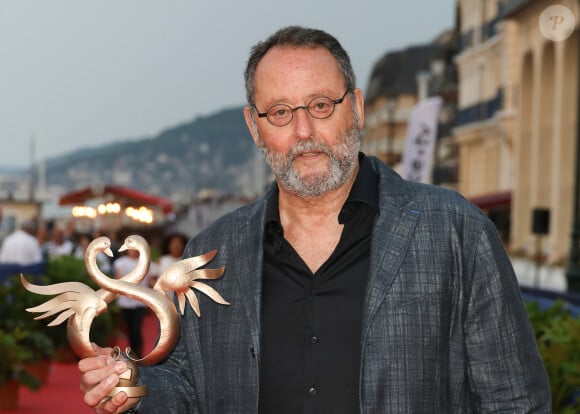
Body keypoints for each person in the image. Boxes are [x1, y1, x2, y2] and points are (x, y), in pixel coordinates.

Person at [79, 26, 551, 413]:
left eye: (321, 105)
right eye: (281, 112)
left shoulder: (455, 232)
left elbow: (515, 400)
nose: (304, 131)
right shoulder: (213, 252)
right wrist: (134, 385)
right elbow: (185, 389)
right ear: (254, 125)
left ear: (357, 107)